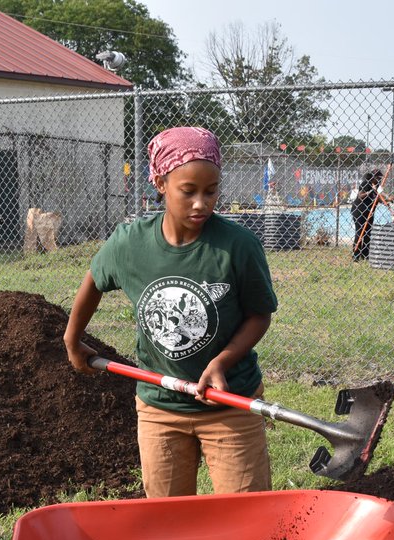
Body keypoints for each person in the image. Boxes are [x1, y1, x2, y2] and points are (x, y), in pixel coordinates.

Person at [63, 126, 278, 498]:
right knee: (167, 518)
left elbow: (259, 315)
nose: (202, 203)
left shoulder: (237, 246)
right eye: (189, 191)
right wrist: (72, 339)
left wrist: (221, 363)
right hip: (160, 408)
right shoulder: (131, 244)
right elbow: (94, 281)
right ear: (160, 182)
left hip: (230, 406)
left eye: (211, 191)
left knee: (249, 515)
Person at [351, 170, 386, 262]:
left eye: (380, 178)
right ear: (373, 177)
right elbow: (360, 196)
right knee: (360, 233)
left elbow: (378, 198)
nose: (379, 179)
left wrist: (385, 202)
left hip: (369, 212)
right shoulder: (366, 183)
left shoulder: (377, 186)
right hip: (359, 211)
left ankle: (365, 255)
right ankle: (356, 256)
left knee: (367, 234)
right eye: (378, 178)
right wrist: (371, 191)